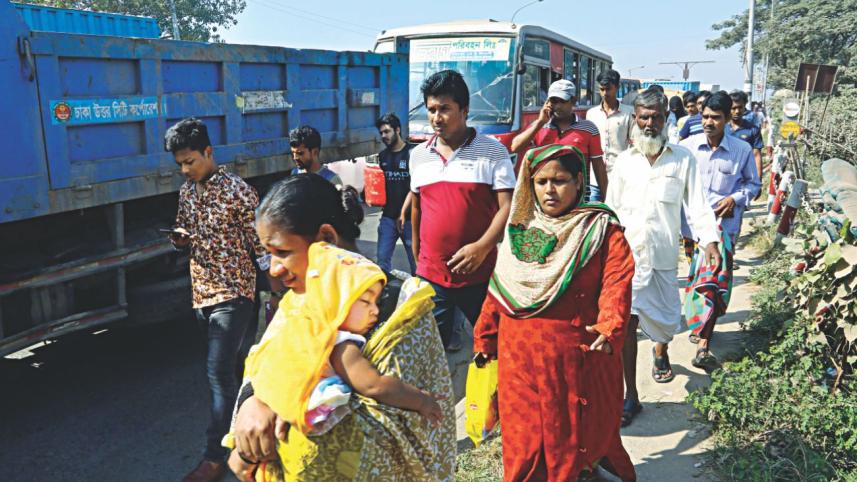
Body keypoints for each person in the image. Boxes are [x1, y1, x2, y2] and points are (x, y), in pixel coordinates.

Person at [227, 174, 456, 480]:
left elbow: (384, 426)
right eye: (269, 255)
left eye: (282, 252)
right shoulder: (298, 302)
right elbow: (261, 363)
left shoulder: (399, 308)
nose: (275, 269)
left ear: (326, 239)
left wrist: (295, 407)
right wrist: (254, 401)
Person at [474, 144, 636, 481]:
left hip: (577, 357)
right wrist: (485, 336)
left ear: (579, 181)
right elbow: (502, 288)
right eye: (541, 181)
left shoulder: (600, 229)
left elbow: (617, 280)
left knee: (574, 436)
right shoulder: (520, 231)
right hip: (519, 358)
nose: (549, 190)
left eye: (559, 180)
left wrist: (610, 325)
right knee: (525, 441)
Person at [606, 90, 721, 427]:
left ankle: (661, 350)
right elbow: (610, 211)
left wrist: (709, 240)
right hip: (627, 258)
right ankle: (631, 396)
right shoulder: (625, 162)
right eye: (644, 117)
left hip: (664, 258)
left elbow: (697, 205)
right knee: (627, 323)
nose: (650, 124)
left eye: (656, 117)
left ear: (665, 119)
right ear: (635, 119)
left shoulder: (682, 159)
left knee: (665, 322)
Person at [166, 118, 268, 482]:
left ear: (209, 152)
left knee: (218, 374)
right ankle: (255, 440)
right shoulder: (187, 192)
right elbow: (186, 230)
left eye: (190, 161)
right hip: (201, 294)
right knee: (237, 373)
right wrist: (180, 239)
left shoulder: (239, 192)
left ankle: (213, 458)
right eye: (179, 163)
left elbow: (261, 247)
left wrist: (276, 291)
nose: (185, 169)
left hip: (234, 294)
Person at [410, 70, 515, 351]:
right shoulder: (419, 156)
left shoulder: (493, 151)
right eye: (431, 110)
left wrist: (482, 247)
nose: (436, 118)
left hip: (479, 275)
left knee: (493, 348)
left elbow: (508, 207)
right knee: (430, 353)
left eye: (444, 109)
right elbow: (417, 209)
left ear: (465, 110)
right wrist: (420, 261)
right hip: (432, 277)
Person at [679, 91, 761, 367]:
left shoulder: (742, 150)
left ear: (727, 119)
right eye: (705, 117)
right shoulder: (687, 147)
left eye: (715, 117)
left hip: (724, 228)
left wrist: (734, 199)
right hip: (691, 228)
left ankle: (703, 344)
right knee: (695, 280)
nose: (708, 122)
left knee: (714, 281)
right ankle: (697, 322)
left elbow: (753, 185)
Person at [511, 79, 608, 201]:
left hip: (578, 200)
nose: (557, 106)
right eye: (553, 101)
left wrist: (606, 199)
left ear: (573, 101)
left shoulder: (589, 129)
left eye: (562, 101)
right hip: (545, 199)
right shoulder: (539, 127)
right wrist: (540, 123)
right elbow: (515, 147)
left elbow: (598, 166)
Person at [375, 113, 417, 274]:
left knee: (416, 263)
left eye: (387, 131)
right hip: (388, 218)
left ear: (397, 130)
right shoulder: (383, 157)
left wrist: (404, 213)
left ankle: (420, 296)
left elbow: (416, 188)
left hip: (410, 220)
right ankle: (383, 296)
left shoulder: (411, 154)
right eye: (381, 133)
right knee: (382, 261)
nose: (384, 136)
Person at [587, 69, 634, 189]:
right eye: (602, 89)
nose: (604, 93)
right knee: (596, 208)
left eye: (608, 89)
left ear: (617, 87)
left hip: (619, 176)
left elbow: (634, 144)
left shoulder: (629, 113)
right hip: (595, 178)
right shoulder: (591, 114)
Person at [727, 90, 764, 194]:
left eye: (740, 107)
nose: (737, 111)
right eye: (733, 108)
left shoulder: (753, 130)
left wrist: (758, 182)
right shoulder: (721, 129)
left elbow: (756, 155)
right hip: (724, 177)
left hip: (744, 178)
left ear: (744, 107)